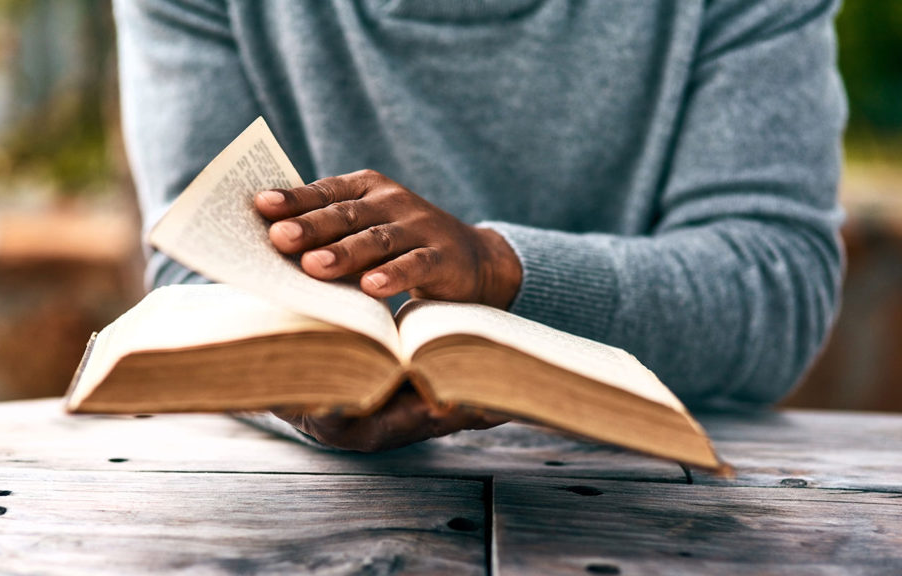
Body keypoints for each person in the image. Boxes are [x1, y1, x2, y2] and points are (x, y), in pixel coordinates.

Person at [113, 0, 846, 451]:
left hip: (660, 503)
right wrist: (295, 388)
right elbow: (196, 270)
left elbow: (774, 281)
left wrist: (500, 268)